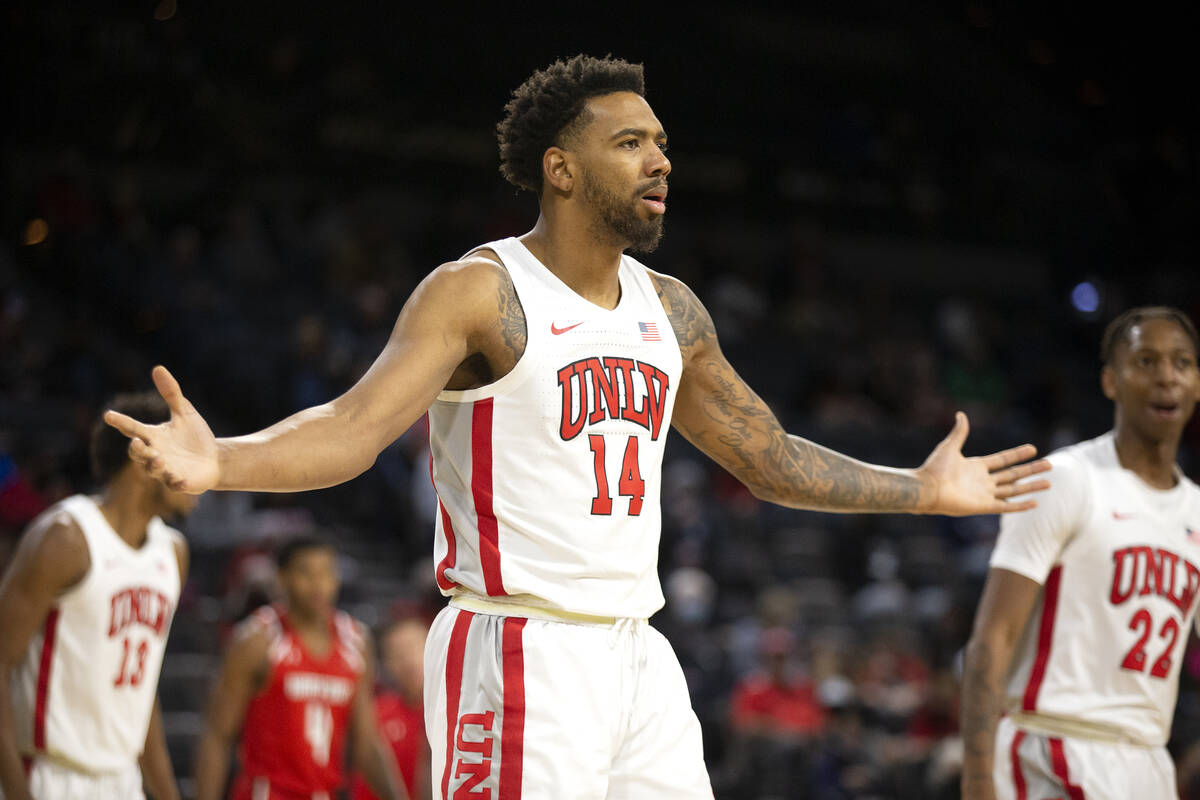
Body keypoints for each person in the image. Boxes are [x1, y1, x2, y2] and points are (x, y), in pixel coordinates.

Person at [105, 54, 1050, 799]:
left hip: (638, 651)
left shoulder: (671, 309)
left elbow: (767, 457)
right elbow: (353, 428)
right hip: (519, 650)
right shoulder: (482, 291)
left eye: (663, 142)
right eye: (632, 142)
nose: (661, 160)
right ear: (560, 168)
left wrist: (920, 490)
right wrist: (220, 460)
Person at [961, 306, 1200, 800]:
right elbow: (993, 636)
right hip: (1051, 745)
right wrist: (977, 776)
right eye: (1147, 362)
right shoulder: (1065, 479)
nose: (1167, 378)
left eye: (1182, 363)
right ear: (1111, 381)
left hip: (1148, 760)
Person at [0, 393, 194, 800]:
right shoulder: (66, 536)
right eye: (188, 453)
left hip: (123, 780)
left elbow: (142, 693)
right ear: (144, 460)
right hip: (50, 775)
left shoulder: (173, 552)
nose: (202, 473)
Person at [193, 536, 405, 800]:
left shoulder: (356, 641)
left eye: (326, 571)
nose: (318, 583)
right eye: (306, 572)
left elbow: (367, 743)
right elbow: (217, 736)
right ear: (281, 579)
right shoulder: (256, 641)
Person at [353, 617, 431, 800]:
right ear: (388, 664)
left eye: (415, 648)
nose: (409, 660)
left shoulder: (458, 711)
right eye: (399, 653)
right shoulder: (376, 713)